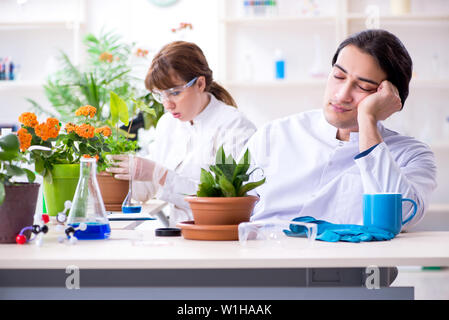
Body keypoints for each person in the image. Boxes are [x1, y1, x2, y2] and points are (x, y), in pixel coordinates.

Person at [245, 29, 437, 230]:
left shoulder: (412, 154)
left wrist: (368, 120)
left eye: (363, 87)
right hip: (268, 257)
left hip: (354, 261)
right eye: (338, 76)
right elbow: (228, 208)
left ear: (389, 97)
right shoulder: (274, 134)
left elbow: (400, 217)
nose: (342, 94)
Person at [107, 41, 256, 225]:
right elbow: (148, 187)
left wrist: (159, 174)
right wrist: (116, 176)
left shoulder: (234, 126)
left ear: (200, 84)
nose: (167, 104)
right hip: (181, 235)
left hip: (220, 238)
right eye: (160, 94)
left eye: (175, 93)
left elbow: (225, 202)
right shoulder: (168, 124)